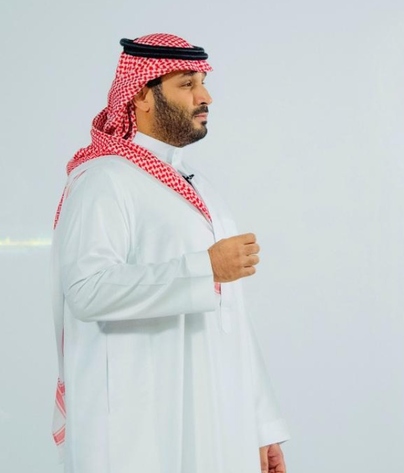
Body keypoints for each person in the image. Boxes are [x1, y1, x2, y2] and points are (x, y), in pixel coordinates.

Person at [50, 33, 289, 473]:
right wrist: (204, 269)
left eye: (203, 82)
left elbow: (232, 317)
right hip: (138, 428)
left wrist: (259, 426)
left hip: (215, 424)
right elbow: (86, 290)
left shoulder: (198, 187)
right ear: (141, 94)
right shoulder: (103, 180)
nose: (205, 97)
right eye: (187, 84)